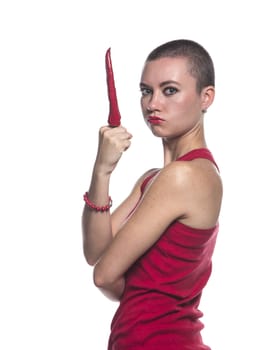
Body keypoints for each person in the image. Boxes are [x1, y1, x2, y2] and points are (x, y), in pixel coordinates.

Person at [82, 39, 223, 350]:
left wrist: (139, 293)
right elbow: (95, 251)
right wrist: (102, 171)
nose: (152, 104)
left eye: (169, 90)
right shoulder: (154, 179)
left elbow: (104, 275)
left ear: (206, 97)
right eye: (147, 91)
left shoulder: (184, 177)